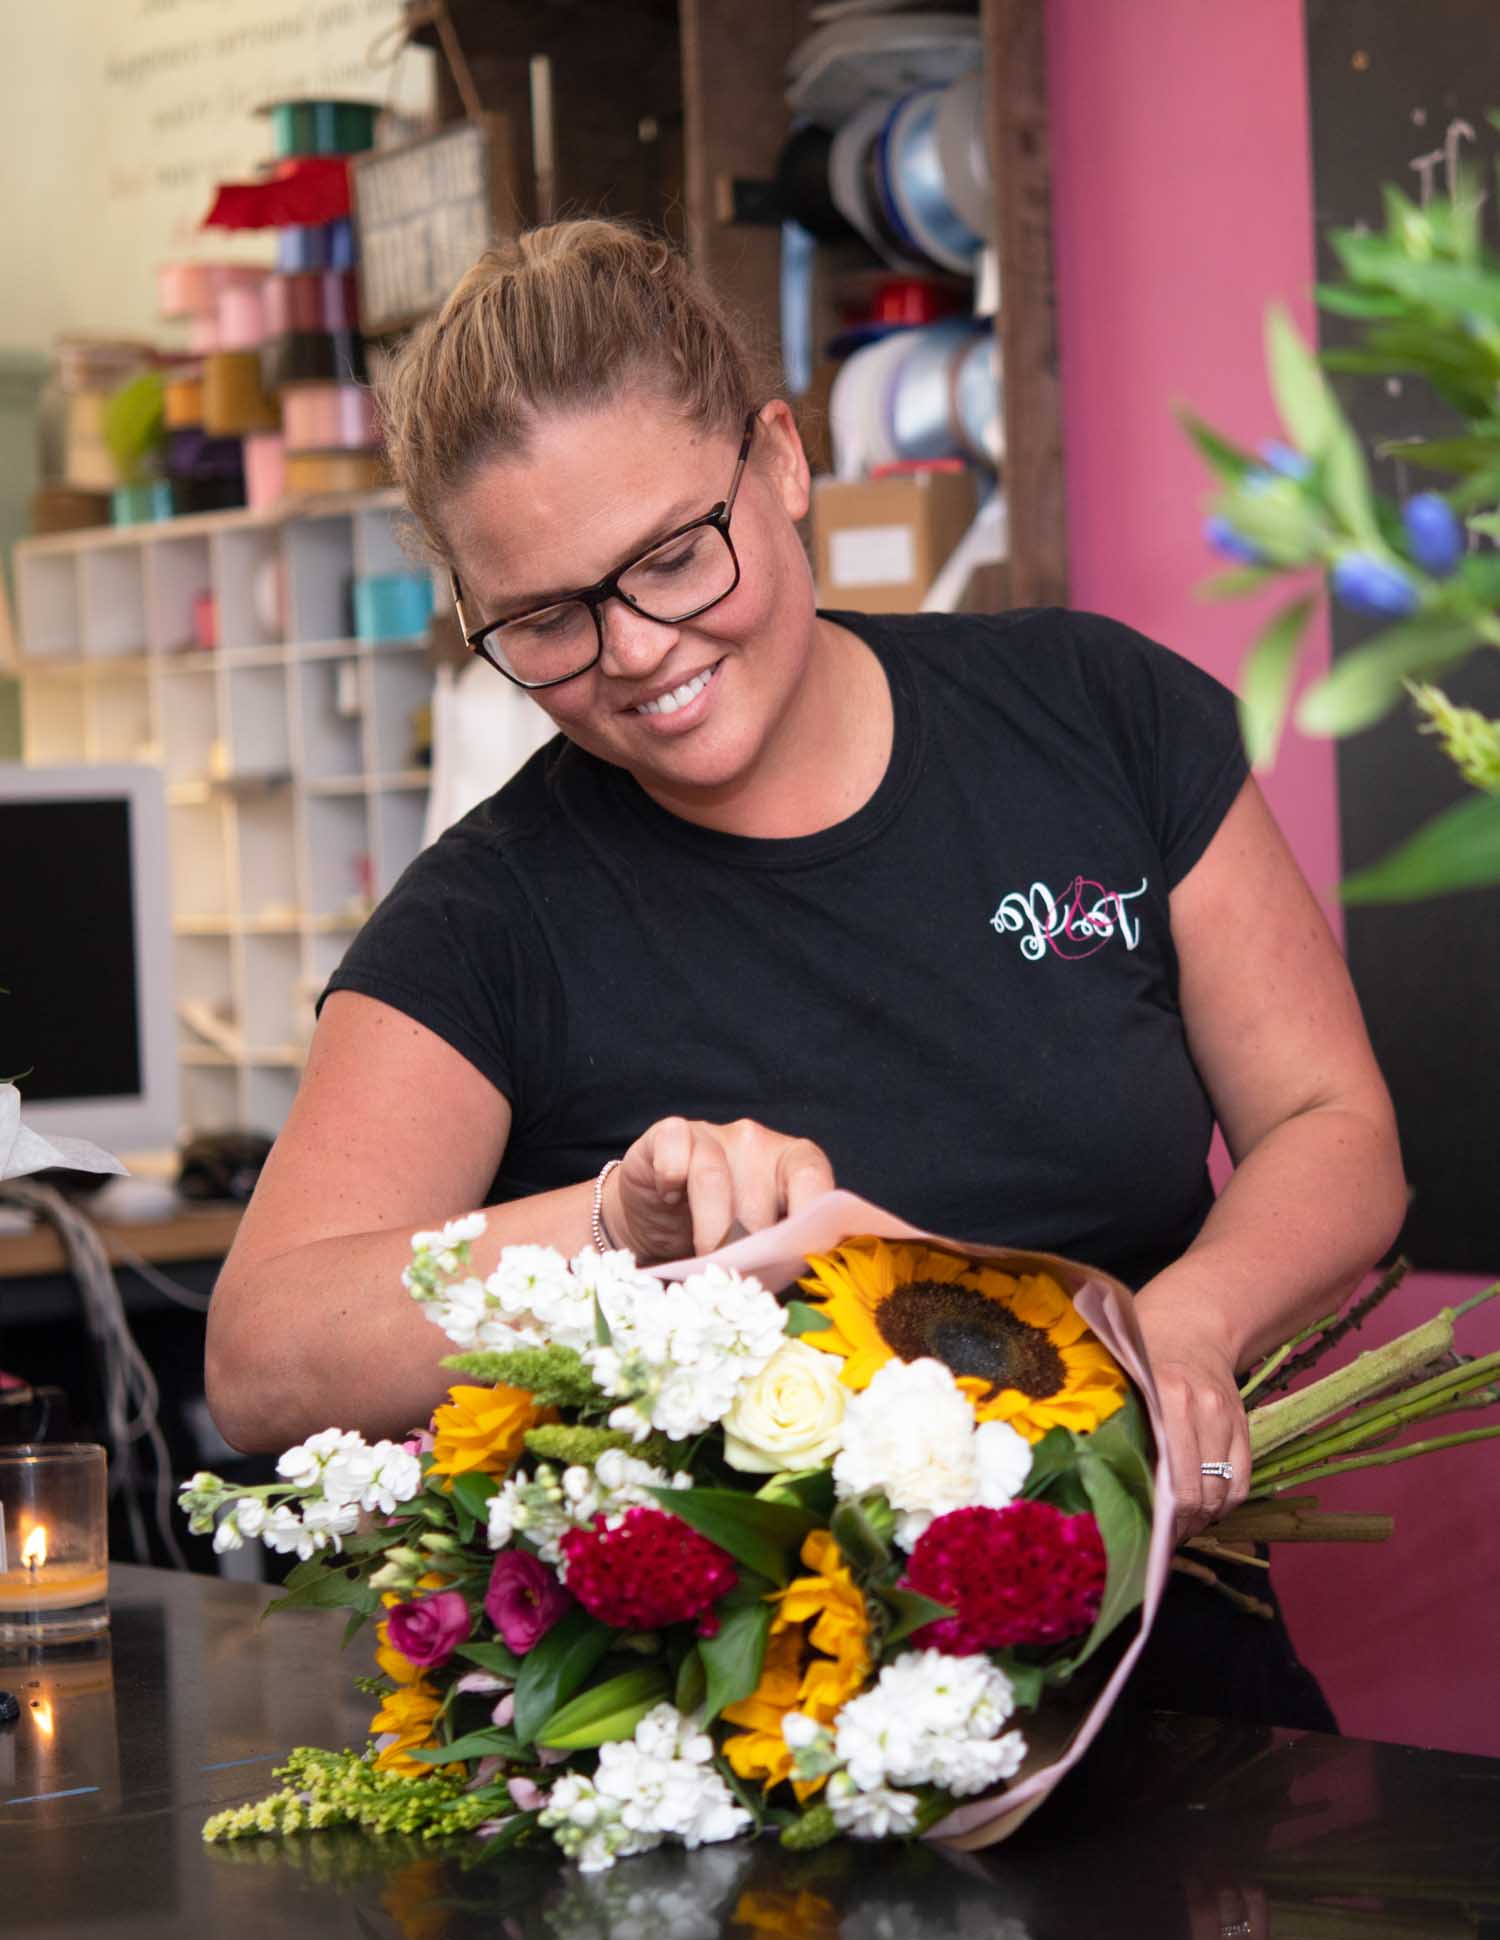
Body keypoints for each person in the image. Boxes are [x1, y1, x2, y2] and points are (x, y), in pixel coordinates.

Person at [206, 222, 1404, 1721]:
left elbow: (1334, 1129)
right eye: (545, 620)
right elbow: (261, 1360)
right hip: (760, 1773)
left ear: (778, 461)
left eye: (668, 558)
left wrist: (1182, 1326)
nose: (635, 651)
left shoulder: (1099, 721)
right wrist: (609, 1224)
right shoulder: (487, 922)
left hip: (1180, 1695)